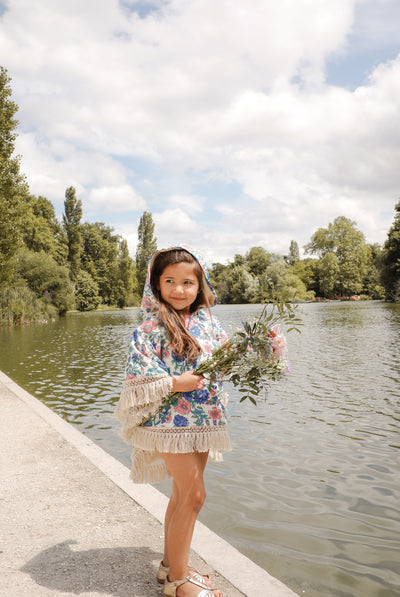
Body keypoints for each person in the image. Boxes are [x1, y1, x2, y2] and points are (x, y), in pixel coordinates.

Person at [115, 245, 231, 597]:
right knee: (195, 495)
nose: (179, 290)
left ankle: (170, 564)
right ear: (157, 284)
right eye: (170, 281)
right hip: (169, 424)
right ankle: (178, 583)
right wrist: (174, 383)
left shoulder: (209, 323)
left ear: (200, 286)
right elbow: (137, 376)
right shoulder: (150, 328)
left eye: (187, 282)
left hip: (203, 418)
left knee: (182, 494)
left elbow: (224, 357)